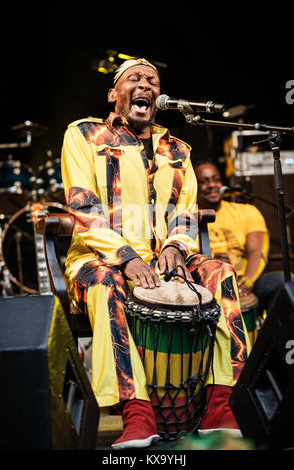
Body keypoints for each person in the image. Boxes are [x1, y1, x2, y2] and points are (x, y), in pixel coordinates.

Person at [61, 58, 250, 450]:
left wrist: (177, 246)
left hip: (166, 260)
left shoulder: (177, 148)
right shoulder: (84, 135)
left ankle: (221, 405)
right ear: (114, 95)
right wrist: (127, 256)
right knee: (106, 281)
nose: (145, 84)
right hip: (100, 261)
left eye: (152, 80)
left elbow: (186, 209)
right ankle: (137, 413)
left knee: (220, 272)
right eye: (134, 79)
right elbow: (83, 203)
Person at [193, 161, 288, 315]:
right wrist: (210, 263)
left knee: (282, 282)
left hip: (243, 280)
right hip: (205, 284)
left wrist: (248, 280)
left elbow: (257, 251)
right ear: (193, 186)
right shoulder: (186, 219)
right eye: (203, 181)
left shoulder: (247, 211)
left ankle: (273, 338)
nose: (211, 185)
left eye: (215, 179)